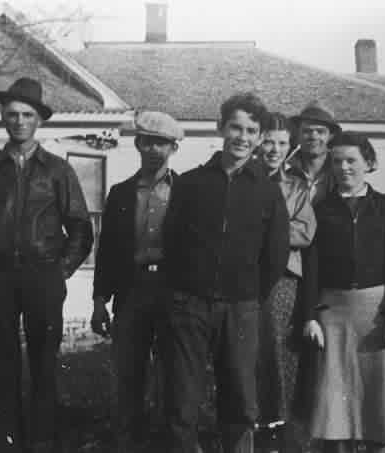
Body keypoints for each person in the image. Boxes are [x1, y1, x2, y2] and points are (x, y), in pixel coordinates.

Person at [0, 77, 93, 453]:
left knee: (44, 363)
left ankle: (43, 440)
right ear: (4, 118)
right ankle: (6, 438)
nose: (19, 121)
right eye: (12, 114)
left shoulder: (57, 171)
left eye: (27, 115)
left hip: (42, 278)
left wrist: (59, 270)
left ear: (38, 121)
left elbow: (81, 227)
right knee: (0, 363)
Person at [161, 92, 289, 453]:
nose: (243, 137)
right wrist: (182, 293)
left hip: (241, 308)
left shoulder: (267, 192)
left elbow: (275, 255)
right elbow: (171, 243)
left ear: (260, 137)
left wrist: (247, 295)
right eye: (236, 127)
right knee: (182, 399)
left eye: (251, 130)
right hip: (189, 306)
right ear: (220, 128)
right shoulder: (190, 184)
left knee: (239, 400)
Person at [302, 131, 385, 453]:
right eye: (337, 161)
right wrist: (309, 317)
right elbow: (313, 268)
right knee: (335, 405)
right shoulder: (321, 209)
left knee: (380, 404)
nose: (344, 167)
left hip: (377, 315)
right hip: (333, 316)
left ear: (368, 163)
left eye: (351, 160)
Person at [91, 111, 184, 452]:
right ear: (137, 144)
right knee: (128, 374)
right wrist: (100, 301)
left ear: (173, 148)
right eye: (147, 142)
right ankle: (128, 443)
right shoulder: (120, 193)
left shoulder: (185, 191)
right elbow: (108, 252)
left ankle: (166, 442)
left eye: (162, 144)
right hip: (131, 292)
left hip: (173, 293)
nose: (154, 150)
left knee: (172, 374)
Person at [254, 112, 316, 450]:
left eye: (282, 143)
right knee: (248, 352)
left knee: (280, 353)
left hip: (283, 281)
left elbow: (305, 231)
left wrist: (260, 230)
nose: (274, 149)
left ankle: (282, 428)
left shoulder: (295, 185)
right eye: (268, 141)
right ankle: (251, 425)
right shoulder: (243, 179)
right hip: (245, 280)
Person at [285, 100, 342, 206]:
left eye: (320, 132)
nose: (314, 137)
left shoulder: (341, 171)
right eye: (307, 131)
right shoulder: (284, 170)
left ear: (330, 136)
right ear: (298, 134)